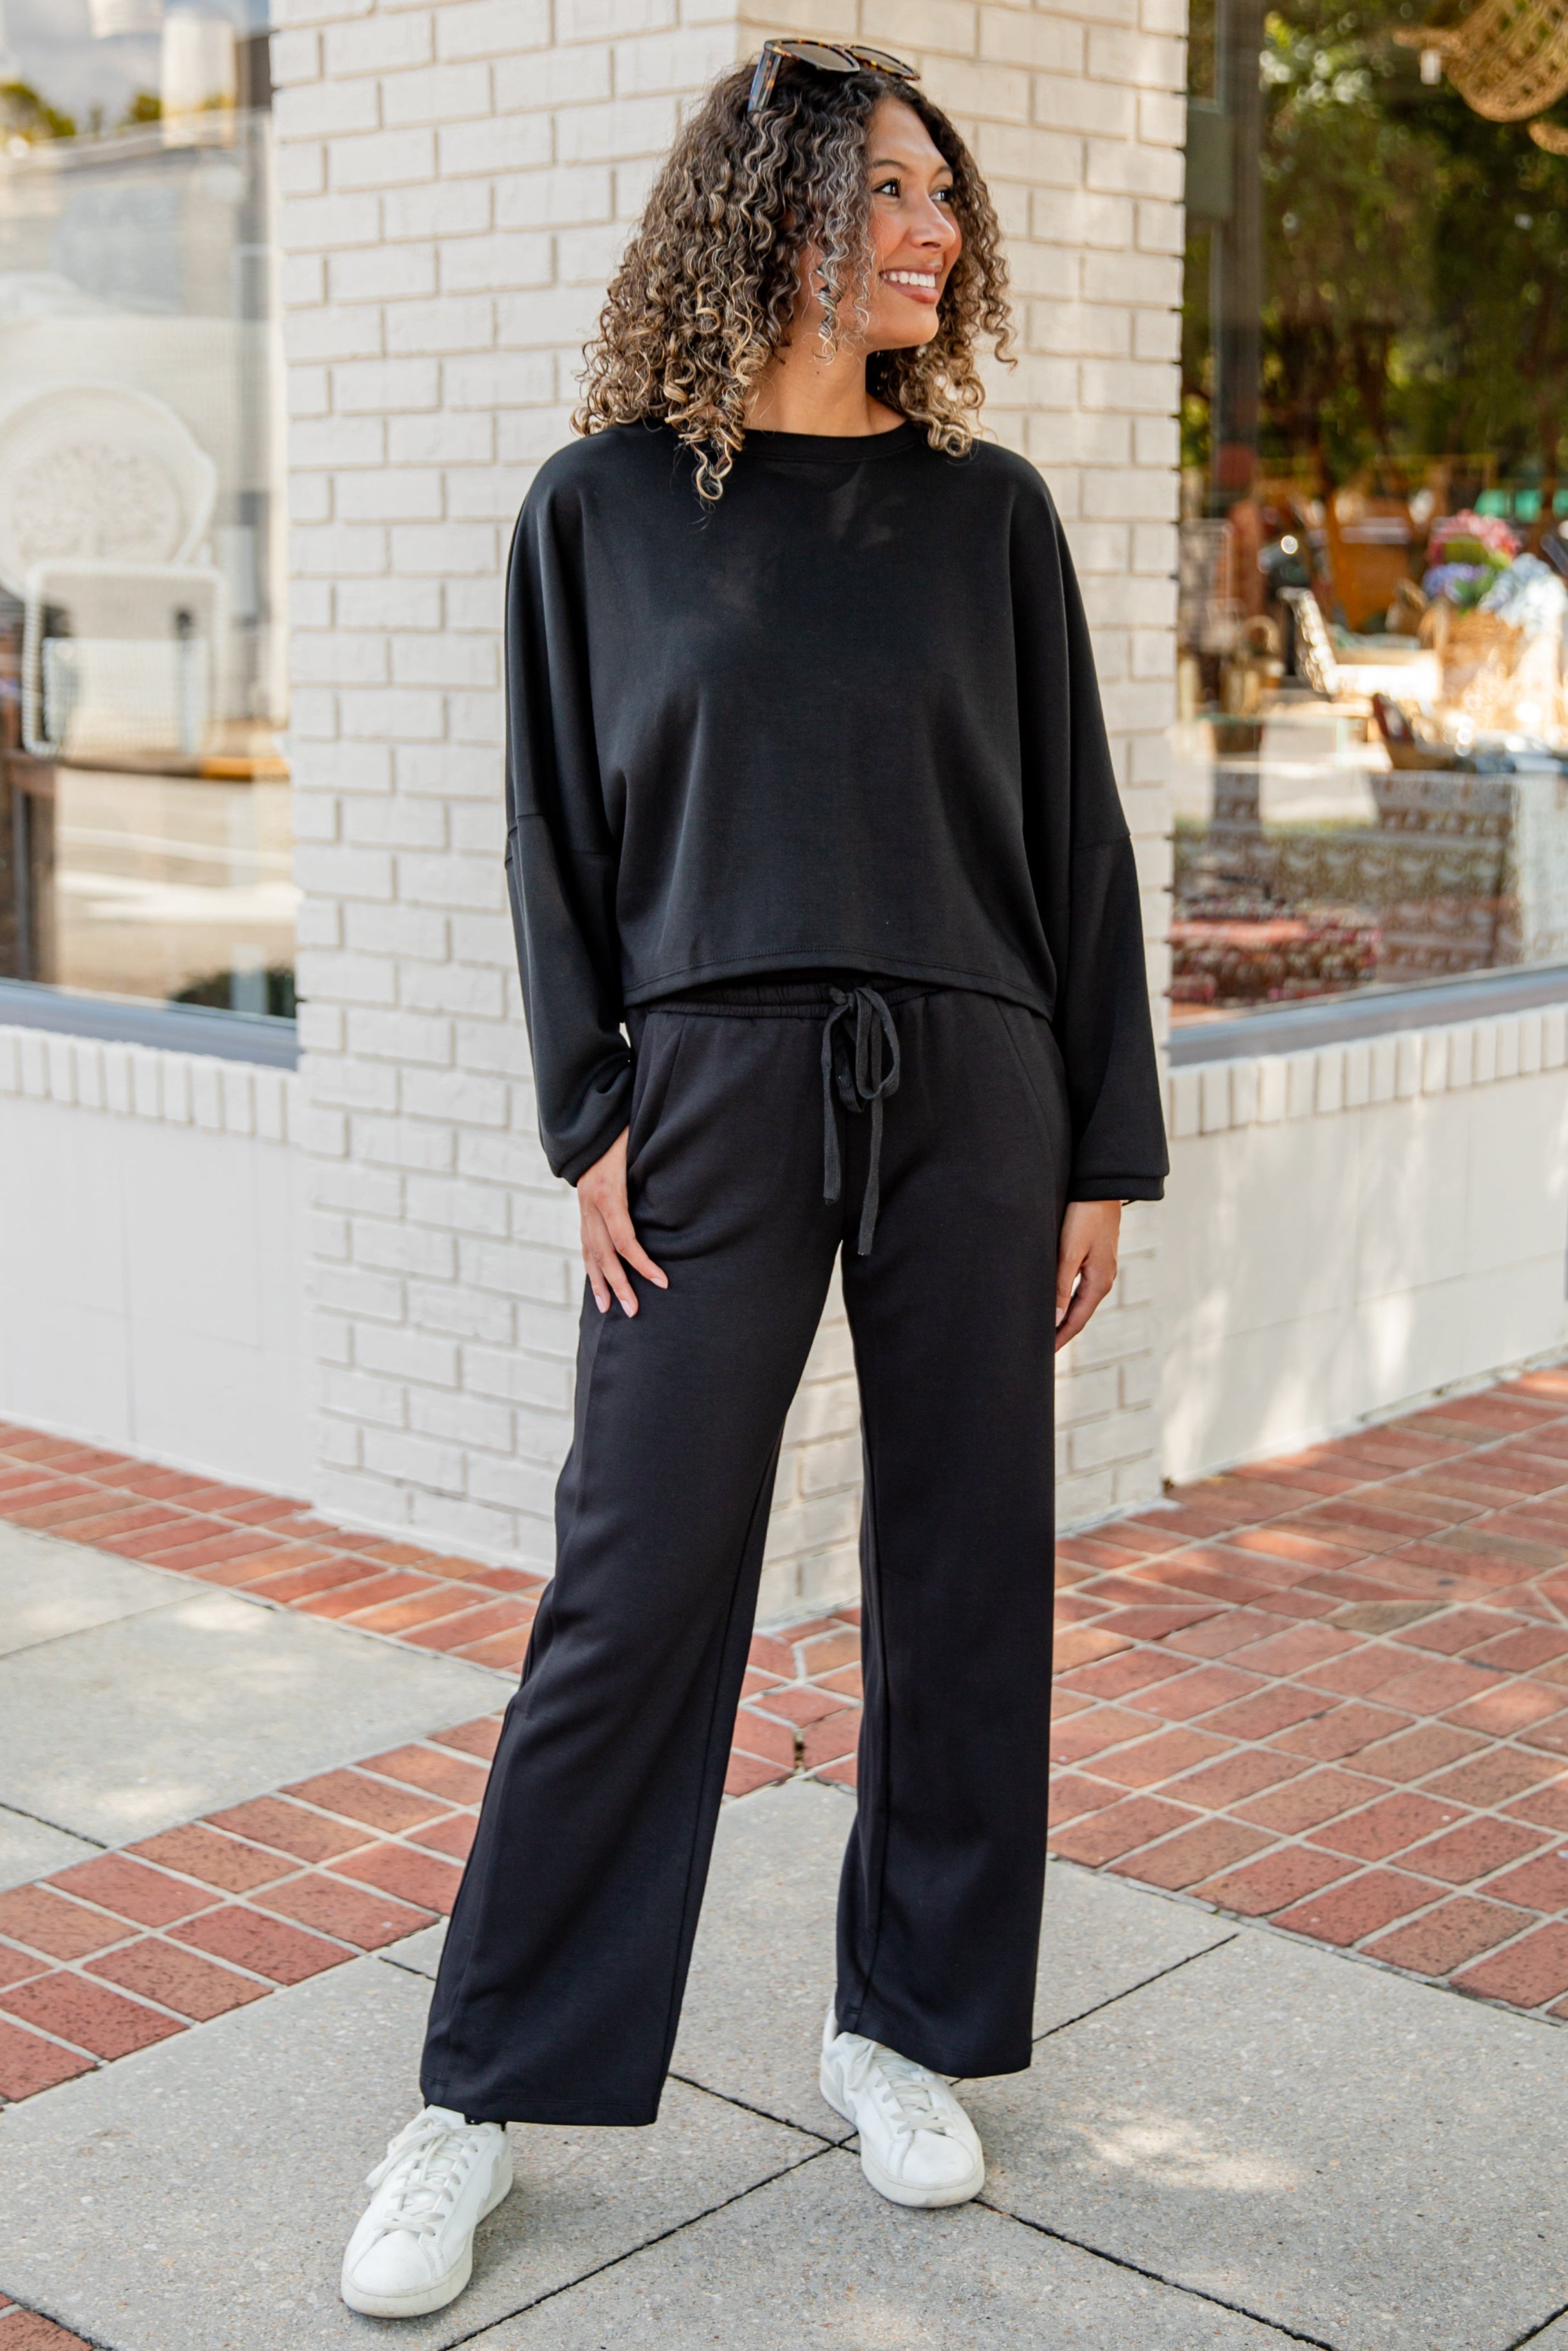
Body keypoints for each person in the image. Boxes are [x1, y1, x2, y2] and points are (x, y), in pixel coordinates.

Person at [340, 37, 1168, 2320]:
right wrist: (583, 1114)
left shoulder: (985, 513)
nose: (936, 233)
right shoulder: (595, 509)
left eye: (944, 201)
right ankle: (476, 2093)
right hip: (704, 1090)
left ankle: (906, 2027)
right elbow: (549, 846)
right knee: (631, 1583)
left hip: (980, 1085)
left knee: (967, 1567)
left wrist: (1103, 1134)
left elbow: (1076, 844)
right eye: (895, 193)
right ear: (772, 211)